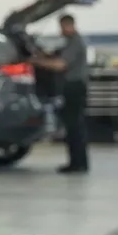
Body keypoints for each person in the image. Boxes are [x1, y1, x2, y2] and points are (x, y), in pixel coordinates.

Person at [31, 14, 90, 173]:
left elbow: (60, 65)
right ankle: (77, 162)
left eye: (62, 27)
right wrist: (44, 56)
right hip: (72, 86)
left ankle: (77, 164)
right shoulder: (71, 42)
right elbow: (57, 57)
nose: (61, 31)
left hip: (74, 87)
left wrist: (37, 62)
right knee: (73, 126)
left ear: (68, 25)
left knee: (74, 126)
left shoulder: (75, 42)